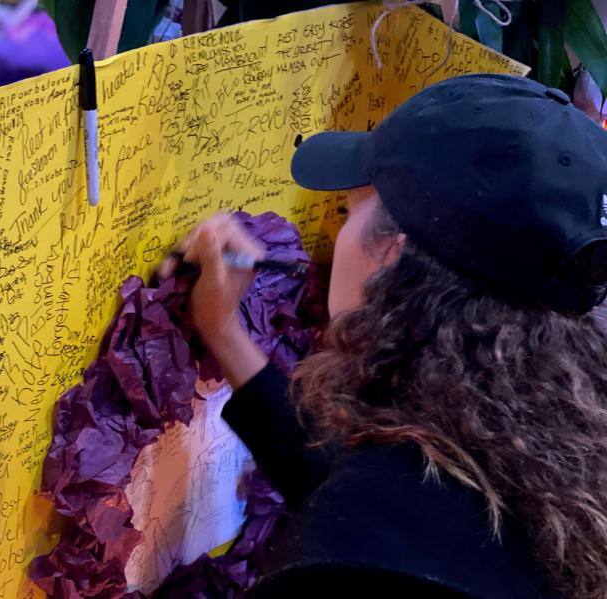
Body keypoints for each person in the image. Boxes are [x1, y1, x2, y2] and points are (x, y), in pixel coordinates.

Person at [175, 74, 607, 598]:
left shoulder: (355, 562)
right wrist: (223, 331)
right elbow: (364, 488)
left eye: (349, 207)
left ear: (391, 255)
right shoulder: (548, 450)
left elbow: (372, 524)